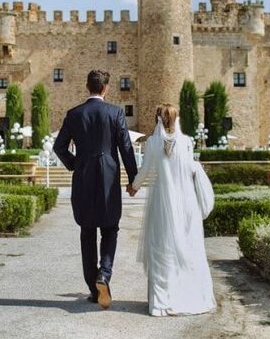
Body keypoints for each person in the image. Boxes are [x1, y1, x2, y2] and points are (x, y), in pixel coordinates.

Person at [52, 69, 138, 309]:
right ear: (105, 88)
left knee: (87, 231)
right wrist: (133, 179)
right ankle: (104, 274)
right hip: (109, 178)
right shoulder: (115, 112)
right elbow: (126, 148)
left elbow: (59, 147)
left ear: (87, 86)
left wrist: (74, 163)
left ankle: (93, 288)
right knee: (110, 227)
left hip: (83, 177)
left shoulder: (74, 114)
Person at [127, 104, 216, 317]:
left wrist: (133, 187)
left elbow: (146, 170)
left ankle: (161, 303)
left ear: (158, 119)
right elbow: (190, 168)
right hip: (186, 202)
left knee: (161, 248)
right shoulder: (186, 142)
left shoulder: (153, 142)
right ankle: (191, 296)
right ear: (176, 120)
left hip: (161, 201)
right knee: (188, 246)